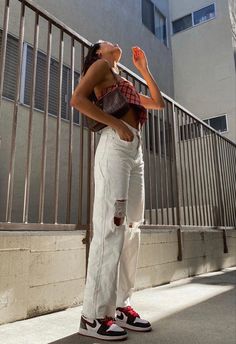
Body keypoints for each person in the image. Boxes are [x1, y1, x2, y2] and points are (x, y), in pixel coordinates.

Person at [70, 40, 165, 341]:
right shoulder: (100, 67)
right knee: (111, 226)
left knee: (133, 226)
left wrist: (145, 70)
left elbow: (158, 103)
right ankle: (92, 315)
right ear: (99, 52)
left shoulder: (122, 79)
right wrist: (116, 124)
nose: (114, 42)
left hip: (134, 151)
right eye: (106, 41)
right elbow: (77, 99)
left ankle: (121, 305)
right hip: (115, 146)